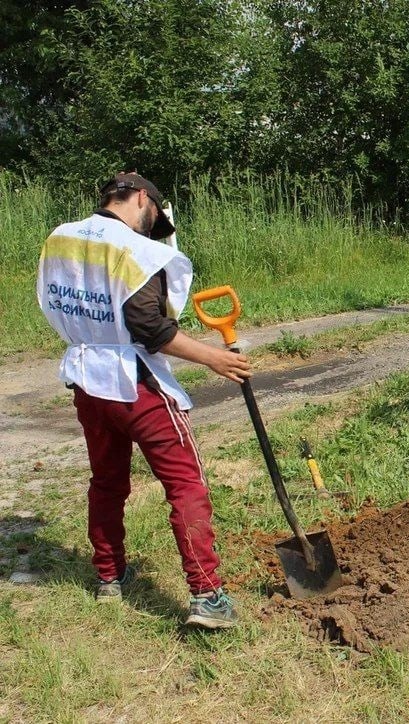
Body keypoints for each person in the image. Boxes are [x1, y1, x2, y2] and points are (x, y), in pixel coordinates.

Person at [36, 172, 251, 629]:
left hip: (86, 382)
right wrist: (214, 358)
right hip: (135, 387)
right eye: (153, 220)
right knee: (186, 483)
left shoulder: (61, 238)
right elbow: (150, 329)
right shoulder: (138, 252)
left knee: (108, 482)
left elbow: (54, 301)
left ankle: (109, 577)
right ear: (140, 198)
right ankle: (207, 596)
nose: (152, 231)